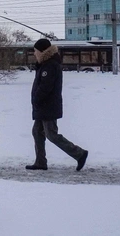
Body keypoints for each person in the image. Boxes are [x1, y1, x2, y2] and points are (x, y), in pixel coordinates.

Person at [27, 38, 89, 171]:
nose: (34, 54)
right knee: (37, 132)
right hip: (43, 106)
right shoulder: (45, 64)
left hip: (48, 106)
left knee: (51, 134)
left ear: (42, 52)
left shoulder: (49, 66)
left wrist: (36, 99)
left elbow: (45, 87)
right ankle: (40, 162)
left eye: (35, 51)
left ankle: (79, 153)